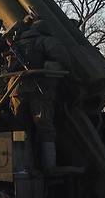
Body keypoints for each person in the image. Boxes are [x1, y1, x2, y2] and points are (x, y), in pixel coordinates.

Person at [4, 18, 70, 169]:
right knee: (44, 127)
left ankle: (22, 167)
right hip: (40, 89)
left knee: (20, 128)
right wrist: (44, 67)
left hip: (16, 90)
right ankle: (48, 166)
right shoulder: (47, 42)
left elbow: (8, 69)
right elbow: (65, 61)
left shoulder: (17, 44)